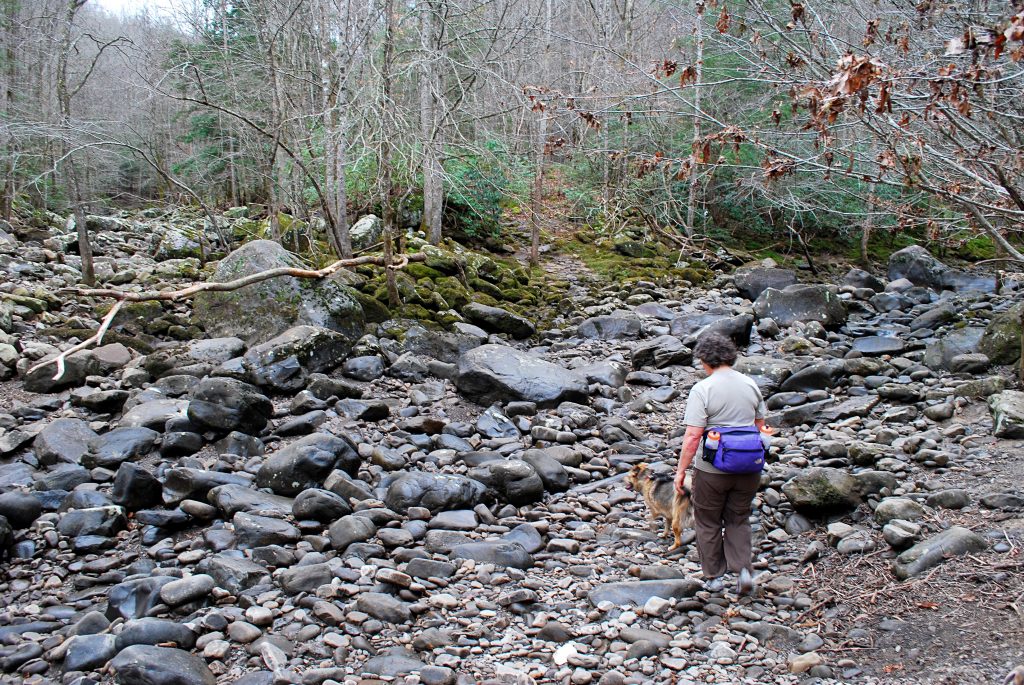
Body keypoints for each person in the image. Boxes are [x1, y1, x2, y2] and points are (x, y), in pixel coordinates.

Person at [673, 331, 772, 595]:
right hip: (750, 466)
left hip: (713, 469)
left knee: (707, 520)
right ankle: (743, 571)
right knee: (738, 518)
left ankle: (715, 578)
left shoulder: (703, 389)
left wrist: (681, 472)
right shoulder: (750, 384)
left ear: (705, 359)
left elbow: (693, 435)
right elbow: (760, 427)